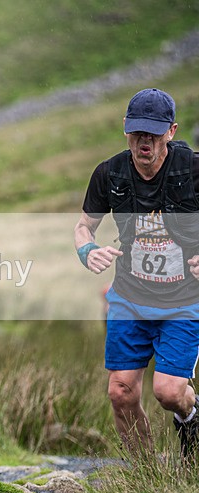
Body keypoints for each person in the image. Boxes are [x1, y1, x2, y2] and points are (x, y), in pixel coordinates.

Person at [74, 88, 199, 460]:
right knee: (120, 392)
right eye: (138, 132)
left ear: (171, 132)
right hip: (130, 296)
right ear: (125, 129)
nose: (145, 141)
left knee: (169, 392)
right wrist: (87, 250)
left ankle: (192, 417)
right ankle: (145, 475)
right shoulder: (109, 173)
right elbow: (85, 226)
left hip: (184, 300)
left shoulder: (192, 170)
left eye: (154, 133)